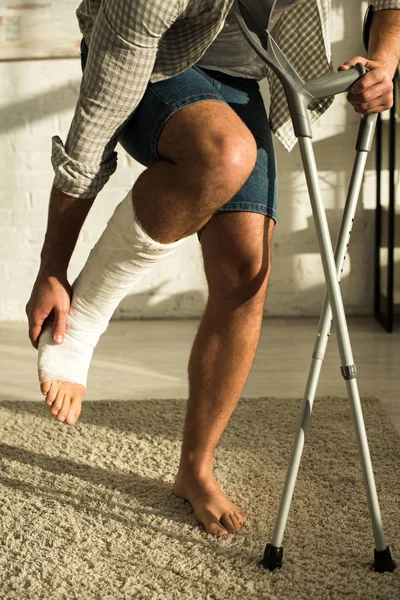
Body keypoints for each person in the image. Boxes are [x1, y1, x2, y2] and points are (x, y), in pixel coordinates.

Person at [26, 0, 400, 537]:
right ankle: (86, 313)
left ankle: (195, 468)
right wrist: (52, 269)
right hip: (155, 59)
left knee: (246, 273)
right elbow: (93, 133)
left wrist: (385, 61)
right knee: (223, 153)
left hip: (242, 70)